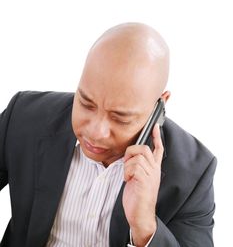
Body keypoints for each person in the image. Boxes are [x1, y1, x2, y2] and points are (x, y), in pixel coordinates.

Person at [0, 22, 216, 247]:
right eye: (86, 103)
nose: (96, 132)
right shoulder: (25, 118)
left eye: (120, 117)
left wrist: (145, 227)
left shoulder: (193, 172)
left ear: (159, 105)